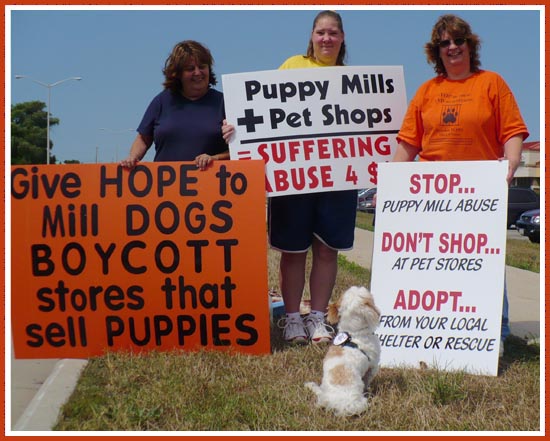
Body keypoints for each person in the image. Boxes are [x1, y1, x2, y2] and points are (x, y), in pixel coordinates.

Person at [393, 14, 529, 356]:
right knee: (436, 262)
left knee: (483, 260)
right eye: (444, 43)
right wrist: (391, 183)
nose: (452, 47)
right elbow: (409, 143)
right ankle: (437, 323)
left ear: (470, 45)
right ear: (436, 52)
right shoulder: (427, 91)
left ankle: (496, 329)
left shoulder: (491, 83)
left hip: (479, 191)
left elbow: (512, 131)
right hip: (431, 193)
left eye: (458, 40)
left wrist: (511, 163)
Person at [120, 40, 229, 170]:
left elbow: (242, 149)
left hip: (213, 185)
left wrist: (215, 158)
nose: (198, 73)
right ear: (178, 74)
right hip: (165, 186)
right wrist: (133, 158)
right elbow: (143, 139)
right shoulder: (161, 101)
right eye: (190, 69)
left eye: (202, 67)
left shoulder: (225, 102)